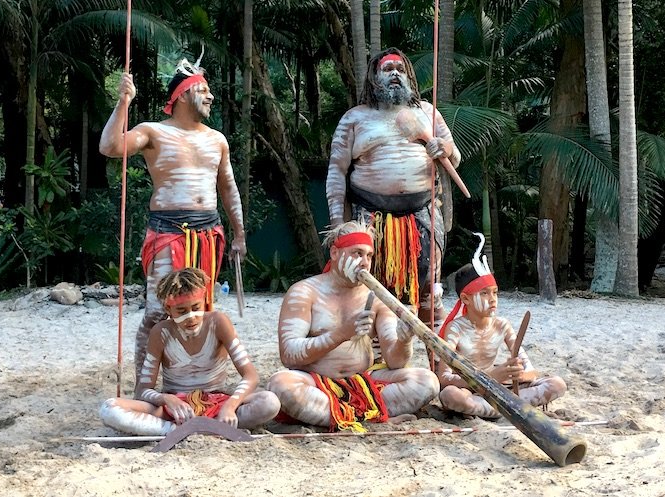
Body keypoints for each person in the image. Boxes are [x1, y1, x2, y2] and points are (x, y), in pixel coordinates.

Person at [99, 57, 247, 381]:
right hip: (168, 232)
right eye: (203, 90)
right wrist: (123, 103)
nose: (210, 97)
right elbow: (110, 146)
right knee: (157, 312)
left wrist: (239, 234)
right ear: (182, 94)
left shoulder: (217, 139)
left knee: (200, 311)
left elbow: (228, 187)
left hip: (208, 233)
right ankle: (145, 384)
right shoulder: (153, 132)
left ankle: (195, 380)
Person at [326, 47, 461, 330]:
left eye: (400, 69)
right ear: (375, 78)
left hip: (421, 212)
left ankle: (433, 349)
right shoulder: (354, 118)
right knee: (372, 282)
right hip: (371, 215)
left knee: (428, 282)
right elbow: (337, 171)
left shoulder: (428, 112)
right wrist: (338, 224)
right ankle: (376, 346)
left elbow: (455, 158)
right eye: (388, 70)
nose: (395, 74)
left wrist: (444, 147)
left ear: (409, 76)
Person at [268, 222, 440, 431]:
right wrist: (342, 333)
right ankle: (367, 415)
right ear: (334, 253)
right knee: (280, 385)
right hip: (317, 383)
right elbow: (288, 355)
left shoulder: (377, 297)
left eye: (369, 255)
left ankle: (343, 415)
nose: (364, 262)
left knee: (427, 381)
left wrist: (404, 340)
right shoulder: (304, 292)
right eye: (357, 253)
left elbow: (395, 362)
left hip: (364, 384)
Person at [100, 268, 280, 435]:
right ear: (167, 309)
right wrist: (166, 400)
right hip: (175, 410)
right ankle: (181, 430)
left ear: (204, 301)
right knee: (109, 409)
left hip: (217, 401)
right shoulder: (160, 332)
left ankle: (185, 430)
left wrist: (230, 406)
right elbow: (143, 390)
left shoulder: (218, 322)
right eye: (181, 311)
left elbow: (251, 376)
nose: (191, 317)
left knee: (269, 402)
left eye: (196, 308)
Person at [436, 234, 567, 419]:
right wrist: (490, 376)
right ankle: (510, 407)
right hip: (471, 390)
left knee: (557, 384)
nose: (492, 299)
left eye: (495, 293)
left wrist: (519, 375)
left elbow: (531, 371)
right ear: (465, 299)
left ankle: (496, 408)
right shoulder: (456, 329)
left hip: (500, 389)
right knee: (451, 396)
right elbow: (444, 379)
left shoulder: (502, 325)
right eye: (484, 293)